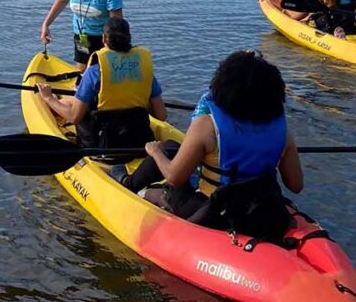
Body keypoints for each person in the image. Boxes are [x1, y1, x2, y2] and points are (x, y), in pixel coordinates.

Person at [118, 50, 303, 235]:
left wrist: (155, 151)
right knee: (176, 149)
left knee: (167, 150)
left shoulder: (207, 125)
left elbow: (174, 177)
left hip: (212, 212)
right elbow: (296, 185)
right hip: (259, 208)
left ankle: (146, 190)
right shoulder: (284, 133)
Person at [36, 17, 167, 148]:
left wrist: (48, 98)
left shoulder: (94, 72)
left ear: (104, 38)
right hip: (138, 138)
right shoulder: (144, 69)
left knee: (67, 102)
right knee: (72, 100)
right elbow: (161, 115)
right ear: (129, 38)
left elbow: (74, 117)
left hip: (102, 143)